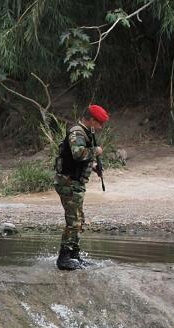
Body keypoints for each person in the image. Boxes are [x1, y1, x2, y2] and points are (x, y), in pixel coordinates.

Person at [54, 104, 109, 270]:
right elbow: (78, 153)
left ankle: (74, 256)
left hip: (75, 182)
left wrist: (92, 166)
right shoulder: (77, 132)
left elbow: (75, 158)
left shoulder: (85, 132)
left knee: (79, 220)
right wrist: (95, 151)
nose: (100, 127)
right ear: (91, 120)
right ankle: (63, 258)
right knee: (73, 221)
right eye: (99, 123)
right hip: (68, 182)